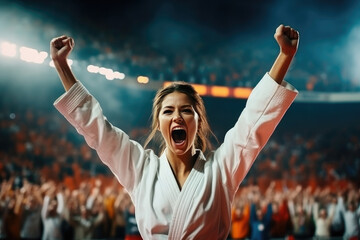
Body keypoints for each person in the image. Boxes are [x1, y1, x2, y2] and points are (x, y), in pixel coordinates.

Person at [50, 24, 299, 239]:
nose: (177, 116)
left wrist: (284, 57)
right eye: (168, 111)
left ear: (198, 122)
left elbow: (253, 124)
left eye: (186, 111)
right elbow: (98, 131)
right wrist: (62, 66)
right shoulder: (141, 169)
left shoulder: (221, 169)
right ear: (159, 124)